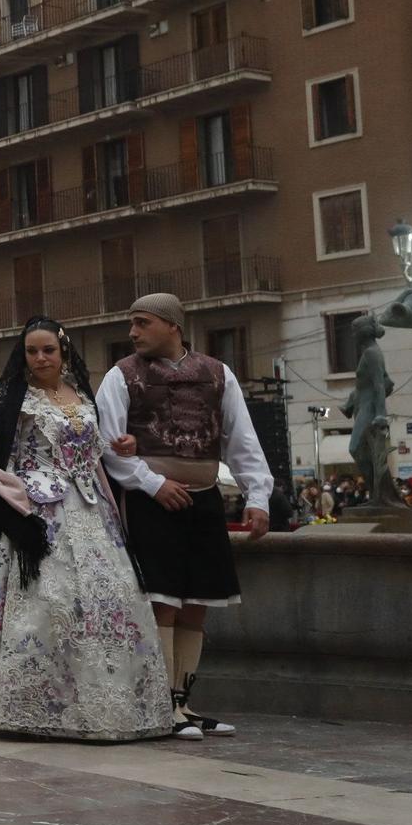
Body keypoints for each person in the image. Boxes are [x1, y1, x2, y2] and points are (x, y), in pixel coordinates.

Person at [0, 317, 173, 741]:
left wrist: (124, 445)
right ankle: (32, 703)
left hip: (93, 512)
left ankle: (112, 705)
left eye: (48, 349)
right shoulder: (15, 397)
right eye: (32, 351)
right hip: (40, 509)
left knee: (111, 600)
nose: (41, 358)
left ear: (63, 350)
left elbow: (95, 452)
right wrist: (15, 510)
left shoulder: (83, 395)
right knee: (49, 601)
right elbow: (3, 456)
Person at [97, 293, 272, 741]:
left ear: (173, 325)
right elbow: (105, 442)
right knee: (162, 599)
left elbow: (241, 439)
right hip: (149, 501)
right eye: (131, 323)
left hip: (205, 498)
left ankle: (182, 703)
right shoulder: (122, 376)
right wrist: (153, 484)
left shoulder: (218, 374)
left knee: (198, 601)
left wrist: (258, 497)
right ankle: (158, 704)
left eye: (142, 323)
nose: (132, 332)